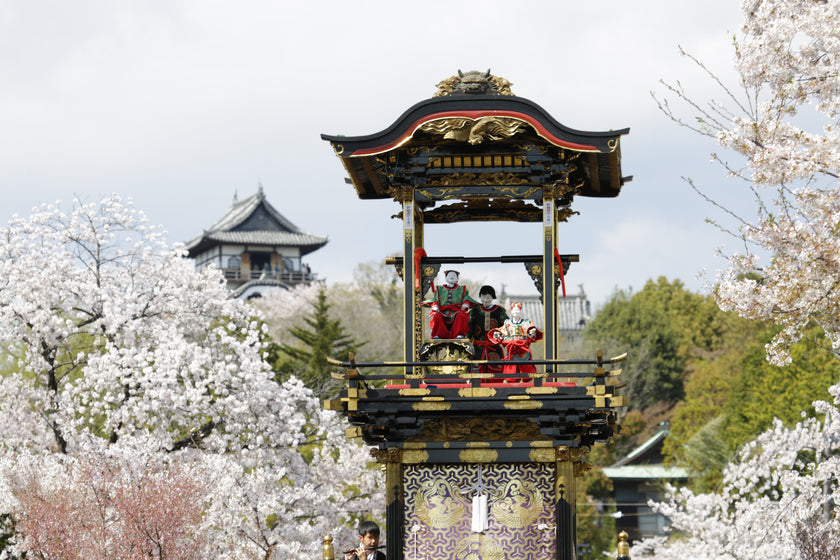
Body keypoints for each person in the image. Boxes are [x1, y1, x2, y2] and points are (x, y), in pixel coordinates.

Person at [488, 302, 543, 377]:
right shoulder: (507, 323)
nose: (516, 312)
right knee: (511, 369)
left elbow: (531, 333)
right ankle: (510, 379)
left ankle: (525, 379)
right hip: (512, 349)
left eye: (517, 310)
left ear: (521, 311)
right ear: (511, 312)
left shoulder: (526, 323)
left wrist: (532, 333)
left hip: (523, 349)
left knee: (525, 369)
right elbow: (502, 332)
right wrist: (498, 335)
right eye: (514, 310)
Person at [424, 270, 476, 339]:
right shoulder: (439, 289)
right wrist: (435, 305)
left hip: (456, 311)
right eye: (449, 275)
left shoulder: (462, 289)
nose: (452, 277)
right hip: (442, 311)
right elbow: (435, 299)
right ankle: (438, 334)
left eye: (454, 275)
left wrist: (465, 304)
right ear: (445, 278)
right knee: (436, 315)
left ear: (457, 279)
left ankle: (459, 334)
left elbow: (466, 298)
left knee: (461, 315)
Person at [469, 285, 508, 373]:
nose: (485, 300)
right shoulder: (474, 311)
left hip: (494, 347)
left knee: (495, 372)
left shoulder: (499, 311)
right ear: (480, 297)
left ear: (492, 298)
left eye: (488, 297)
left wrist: (506, 342)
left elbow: (507, 326)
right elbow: (468, 326)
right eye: (483, 297)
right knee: (476, 371)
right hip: (478, 348)